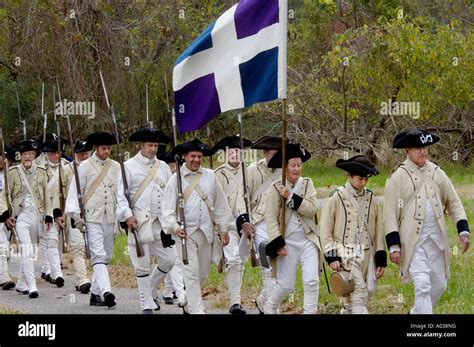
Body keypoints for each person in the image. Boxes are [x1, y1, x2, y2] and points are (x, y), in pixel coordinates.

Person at [384, 129, 470, 314]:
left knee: (439, 285)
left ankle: (415, 313)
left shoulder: (437, 172)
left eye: (424, 147)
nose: (422, 151)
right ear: (407, 151)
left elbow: (454, 202)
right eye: (417, 148)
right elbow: (389, 214)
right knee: (422, 285)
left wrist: (463, 231)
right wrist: (394, 247)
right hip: (413, 242)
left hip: (437, 240)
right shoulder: (398, 177)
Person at [162, 138, 232, 314]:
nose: (196, 160)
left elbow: (221, 205)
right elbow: (167, 211)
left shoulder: (210, 176)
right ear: (185, 156)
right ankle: (197, 309)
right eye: (193, 156)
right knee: (191, 273)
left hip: (206, 232)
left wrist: (224, 228)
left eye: (199, 156)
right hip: (185, 234)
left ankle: (187, 300)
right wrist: (174, 227)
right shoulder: (174, 180)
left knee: (202, 273)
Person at [65, 131, 132, 308]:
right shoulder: (85, 166)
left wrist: (124, 215)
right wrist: (76, 215)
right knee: (98, 255)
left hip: (110, 216)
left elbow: (121, 193)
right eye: (104, 148)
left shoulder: (117, 167)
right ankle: (106, 291)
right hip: (91, 217)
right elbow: (74, 192)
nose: (107, 151)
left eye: (109, 148)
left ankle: (95, 294)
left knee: (106, 255)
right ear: (96, 148)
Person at [320, 155, 387, 314]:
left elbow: (378, 231)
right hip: (345, 254)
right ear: (349, 176)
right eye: (360, 178)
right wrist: (332, 256)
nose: (364, 182)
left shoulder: (372, 198)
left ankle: (348, 310)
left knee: (365, 292)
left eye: (366, 179)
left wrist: (380, 257)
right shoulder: (335, 197)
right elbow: (325, 230)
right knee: (360, 292)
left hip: (367, 255)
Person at [123, 128, 176, 314]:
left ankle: (151, 290)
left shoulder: (162, 167)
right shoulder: (128, 166)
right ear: (142, 146)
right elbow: (122, 196)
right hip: (140, 222)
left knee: (170, 260)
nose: (153, 149)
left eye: (155, 145)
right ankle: (146, 303)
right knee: (142, 264)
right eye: (150, 145)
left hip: (161, 223)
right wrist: (127, 215)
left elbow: (171, 194)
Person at [263, 144, 320, 314]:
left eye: (299, 165)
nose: (296, 169)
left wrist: (290, 197)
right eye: (293, 165)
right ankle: (271, 306)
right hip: (287, 242)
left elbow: (311, 209)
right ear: (285, 167)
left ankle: (310, 312)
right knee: (286, 285)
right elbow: (271, 219)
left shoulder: (308, 184)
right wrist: (278, 243)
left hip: (307, 240)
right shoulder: (275, 188)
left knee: (311, 281)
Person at [236, 136, 285, 313]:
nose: (275, 158)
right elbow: (242, 198)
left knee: (279, 270)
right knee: (267, 268)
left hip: (278, 225)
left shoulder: (284, 172)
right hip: (258, 224)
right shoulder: (252, 170)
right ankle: (273, 310)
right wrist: (245, 221)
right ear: (265, 153)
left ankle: (262, 300)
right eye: (272, 154)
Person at [1, 139, 53, 299]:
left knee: (30, 250)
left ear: (34, 156)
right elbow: (4, 196)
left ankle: (22, 283)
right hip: (20, 217)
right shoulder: (13, 172)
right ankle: (32, 285)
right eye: (25, 154)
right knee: (27, 249)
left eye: (31, 154)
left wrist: (49, 215)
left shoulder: (42, 171)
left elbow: (46, 197)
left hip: (37, 216)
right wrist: (5, 215)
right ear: (20, 156)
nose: (28, 157)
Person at [213, 135, 253, 314]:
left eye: (238, 151)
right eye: (231, 151)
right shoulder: (218, 174)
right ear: (226, 153)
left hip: (247, 224)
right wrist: (220, 227)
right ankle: (235, 302)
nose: (235, 154)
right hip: (228, 225)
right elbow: (214, 203)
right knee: (234, 260)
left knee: (241, 261)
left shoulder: (249, 172)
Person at [156, 150, 185, 306]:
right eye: (171, 166)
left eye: (176, 165)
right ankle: (173, 291)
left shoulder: (181, 181)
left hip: (180, 222)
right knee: (172, 260)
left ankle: (171, 290)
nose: (174, 168)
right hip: (166, 223)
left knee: (176, 260)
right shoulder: (166, 181)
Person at [68, 139, 93, 294]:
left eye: (86, 153)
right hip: (73, 213)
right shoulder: (66, 170)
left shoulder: (94, 169)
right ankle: (82, 279)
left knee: (95, 250)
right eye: (81, 154)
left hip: (93, 214)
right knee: (78, 248)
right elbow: (58, 192)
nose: (84, 157)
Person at [0, 150, 15, 290]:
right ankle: (4, 277)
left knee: (6, 249)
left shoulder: (12, 175)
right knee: (2, 246)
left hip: (8, 217)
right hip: (1, 216)